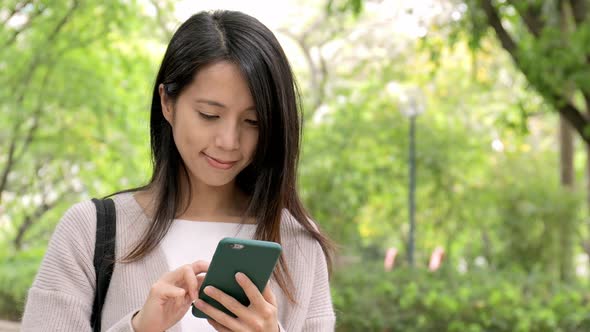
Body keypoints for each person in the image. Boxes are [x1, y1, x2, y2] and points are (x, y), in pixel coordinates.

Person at [21, 10, 335, 332]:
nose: (229, 142)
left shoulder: (298, 242)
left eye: (252, 122)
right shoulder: (89, 231)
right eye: (209, 115)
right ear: (167, 103)